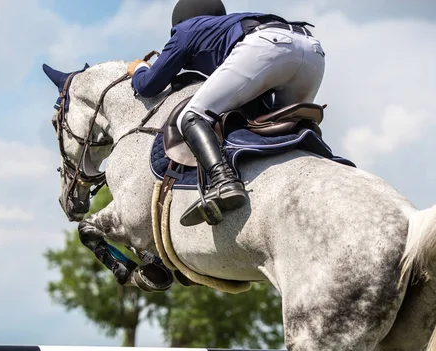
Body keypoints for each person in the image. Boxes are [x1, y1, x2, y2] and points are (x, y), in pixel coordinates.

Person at [127, 0, 326, 226]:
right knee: (285, 126)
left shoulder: (185, 30)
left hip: (266, 47)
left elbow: (148, 86)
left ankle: (223, 181)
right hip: (312, 49)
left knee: (192, 116)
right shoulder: (234, 23)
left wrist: (140, 69)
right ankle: (327, 160)